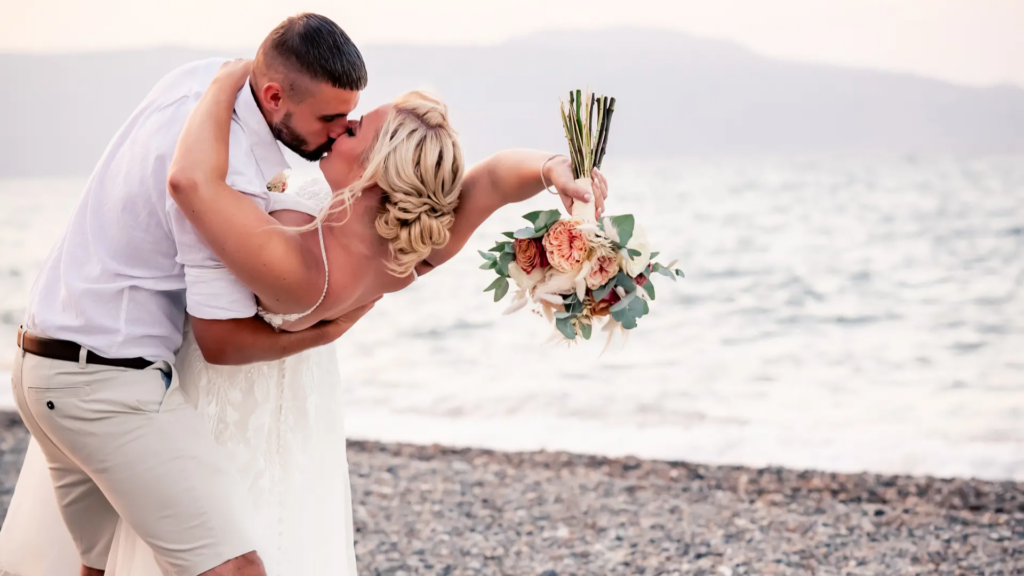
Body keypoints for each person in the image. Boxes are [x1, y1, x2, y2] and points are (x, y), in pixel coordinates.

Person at [0, 16, 607, 576]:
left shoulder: (295, 249)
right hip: (148, 389)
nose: (341, 127)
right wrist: (557, 167)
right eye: (339, 119)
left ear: (372, 169)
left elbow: (190, 187)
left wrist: (231, 73)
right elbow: (498, 175)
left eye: (353, 126)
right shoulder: (410, 252)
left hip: (153, 385)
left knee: (118, 561)